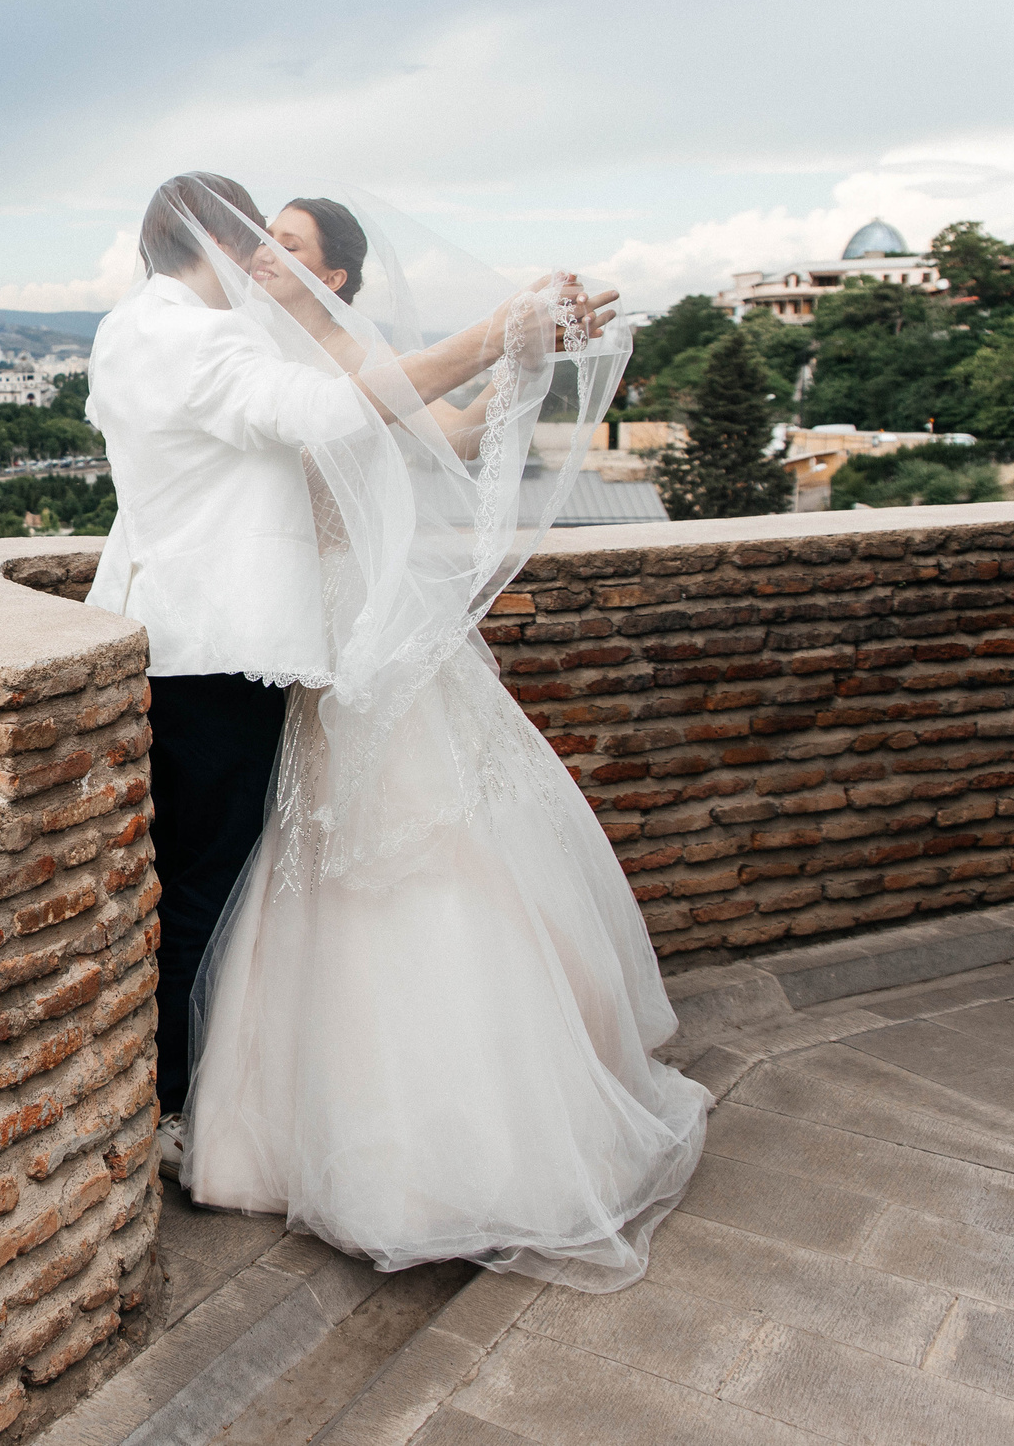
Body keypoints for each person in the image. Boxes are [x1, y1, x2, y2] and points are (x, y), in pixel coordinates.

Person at [95, 175, 706, 1293]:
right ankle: (178, 1106)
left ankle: (217, 1103)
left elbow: (413, 425)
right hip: (230, 644)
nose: (266, 260)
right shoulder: (202, 342)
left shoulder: (153, 327)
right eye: (256, 240)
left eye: (288, 244)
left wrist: (519, 357)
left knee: (240, 877)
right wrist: (492, 330)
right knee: (212, 883)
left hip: (265, 640)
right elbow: (325, 414)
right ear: (219, 246)